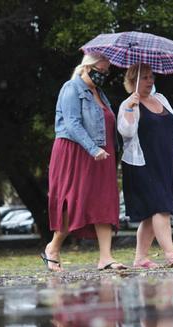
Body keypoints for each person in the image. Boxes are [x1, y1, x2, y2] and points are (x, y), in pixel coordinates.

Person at [43, 53, 126, 272]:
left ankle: (106, 257)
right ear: (88, 67)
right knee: (73, 201)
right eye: (100, 71)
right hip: (76, 151)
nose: (104, 75)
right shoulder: (71, 88)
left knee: (104, 201)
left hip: (102, 154)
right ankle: (53, 247)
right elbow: (71, 123)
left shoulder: (100, 93)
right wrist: (92, 148)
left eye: (106, 72)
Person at [118, 64, 173, 269]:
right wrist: (130, 109)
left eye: (151, 77)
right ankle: (170, 253)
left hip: (164, 161)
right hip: (142, 163)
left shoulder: (161, 99)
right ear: (133, 81)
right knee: (161, 207)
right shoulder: (128, 103)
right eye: (145, 78)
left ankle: (140, 258)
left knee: (153, 214)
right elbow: (126, 132)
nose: (150, 81)